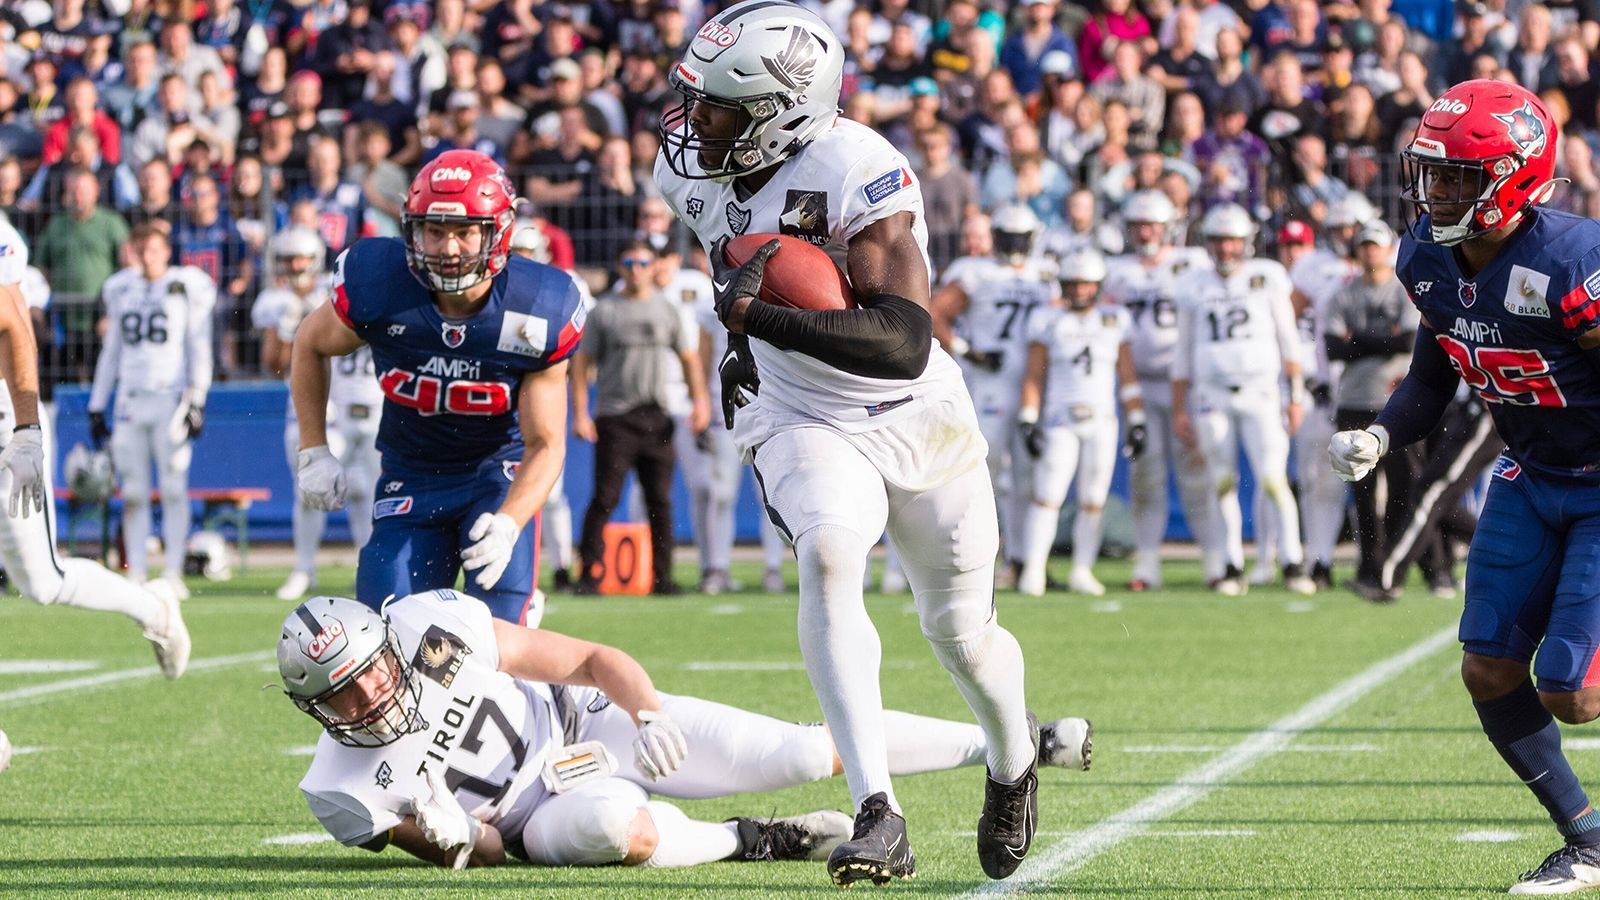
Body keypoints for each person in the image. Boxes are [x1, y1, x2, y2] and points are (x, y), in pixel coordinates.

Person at [655, 1, 1043, 884]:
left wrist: (758, 318)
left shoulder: (858, 167)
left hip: (912, 413)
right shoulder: (689, 173)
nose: (691, 124)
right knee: (830, 554)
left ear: (778, 111)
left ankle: (1013, 758)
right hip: (799, 416)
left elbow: (902, 341)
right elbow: (738, 261)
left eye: (715, 107)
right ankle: (879, 809)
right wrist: (742, 341)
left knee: (962, 635)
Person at [278, 590, 1092, 870]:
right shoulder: (341, 790)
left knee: (806, 748)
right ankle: (752, 840)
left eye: (374, 671)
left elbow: (594, 658)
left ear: (389, 644)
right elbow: (485, 855)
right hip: (538, 815)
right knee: (612, 826)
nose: (372, 697)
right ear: (319, 710)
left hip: (591, 721)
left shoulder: (429, 623)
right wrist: (455, 837)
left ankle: (1009, 743)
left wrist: (647, 711)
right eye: (345, 697)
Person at [1326, 80, 1600, 895]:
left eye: (1456, 177)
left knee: (1574, 694)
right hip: (1530, 473)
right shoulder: (1423, 255)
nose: (1435, 192)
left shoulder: (1571, 262)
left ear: (1516, 177)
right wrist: (1380, 432)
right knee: (1488, 670)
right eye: (1431, 173)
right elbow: (1430, 378)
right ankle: (1587, 841)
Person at [290, 150, 586, 627]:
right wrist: (313, 449)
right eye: (435, 230)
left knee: (499, 629)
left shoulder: (537, 307)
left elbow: (547, 443)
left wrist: (511, 521)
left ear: (498, 232)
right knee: (388, 623)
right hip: (412, 474)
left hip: (496, 473)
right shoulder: (381, 283)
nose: (449, 248)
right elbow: (309, 342)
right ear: (411, 230)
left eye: (465, 231)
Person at [0, 212, 188, 678]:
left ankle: (154, 609)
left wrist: (26, 431)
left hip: (5, 419)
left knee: (42, 581)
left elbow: (15, 326)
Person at [1173, 204, 1315, 596]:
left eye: (1232, 240)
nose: (1225, 249)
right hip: (1211, 396)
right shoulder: (1192, 284)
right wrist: (1178, 406)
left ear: (1246, 242)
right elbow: (1183, 351)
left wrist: (1296, 396)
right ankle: (1230, 564)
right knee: (1221, 482)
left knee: (1273, 480)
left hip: (1262, 393)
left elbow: (1289, 341)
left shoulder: (1265, 277)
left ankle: (1292, 561)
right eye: (1218, 241)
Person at [568, 240, 711, 596]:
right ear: (620, 267)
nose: (636, 269)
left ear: (653, 266)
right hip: (616, 416)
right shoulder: (604, 311)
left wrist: (701, 403)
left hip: (657, 415)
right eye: (629, 262)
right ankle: (589, 574)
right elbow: (583, 363)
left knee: (659, 500)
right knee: (605, 497)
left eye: (643, 262)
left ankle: (663, 577)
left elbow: (689, 359)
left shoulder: (668, 310)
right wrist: (581, 412)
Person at [254, 228, 384, 602]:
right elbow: (275, 365)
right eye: (289, 259)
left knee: (369, 492)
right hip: (322, 410)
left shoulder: (344, 292)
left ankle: (368, 565)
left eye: (301, 259)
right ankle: (304, 567)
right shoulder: (277, 301)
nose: (295, 267)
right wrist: (286, 329)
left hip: (367, 404)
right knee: (311, 488)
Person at [931, 205, 1060, 585]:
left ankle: (1023, 558)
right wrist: (969, 350)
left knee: (1028, 477)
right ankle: (984, 558)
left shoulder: (1047, 276)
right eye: (1007, 237)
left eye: (1020, 238)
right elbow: (934, 314)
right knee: (986, 473)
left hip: (1037, 386)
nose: (1014, 245)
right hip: (991, 384)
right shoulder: (976, 273)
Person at [87, 224, 215, 598]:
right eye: (142, 250)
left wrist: (198, 398)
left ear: (166, 252)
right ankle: (137, 574)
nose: (148, 257)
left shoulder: (183, 286)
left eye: (155, 249)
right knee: (134, 493)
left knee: (174, 488)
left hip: (170, 398)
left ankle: (173, 570)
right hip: (129, 400)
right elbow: (111, 352)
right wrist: (98, 404)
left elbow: (198, 345)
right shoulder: (121, 288)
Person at [1101, 190, 1219, 591]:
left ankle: (1216, 560)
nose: (1145, 232)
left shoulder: (1194, 264)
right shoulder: (1117, 271)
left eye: (1151, 224)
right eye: (1138, 225)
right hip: (1141, 386)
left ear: (1169, 226)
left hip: (1187, 385)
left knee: (1197, 473)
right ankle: (1147, 563)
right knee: (1145, 476)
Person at [1016, 249, 1143, 597]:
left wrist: (1137, 417)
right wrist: (1028, 417)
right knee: (1048, 496)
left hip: (1103, 419)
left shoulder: (1114, 320)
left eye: (1086, 284)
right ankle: (1034, 570)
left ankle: (1082, 570)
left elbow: (1127, 374)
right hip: (1060, 419)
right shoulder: (1048, 320)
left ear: (1098, 286)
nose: (1079, 291)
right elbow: (1033, 375)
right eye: (1072, 284)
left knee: (1093, 499)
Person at [1323, 219, 1420, 601]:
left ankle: (1393, 564)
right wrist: (1384, 341)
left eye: (1375, 245)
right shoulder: (1344, 293)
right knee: (1361, 491)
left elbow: (1408, 340)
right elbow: (1333, 346)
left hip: (1394, 400)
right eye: (1364, 245)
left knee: (1403, 486)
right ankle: (1369, 565)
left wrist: (1359, 340)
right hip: (1355, 399)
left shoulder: (1401, 290)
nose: (1369, 252)